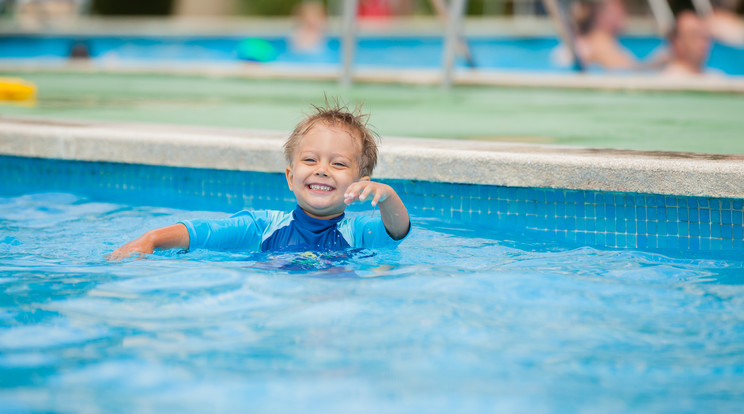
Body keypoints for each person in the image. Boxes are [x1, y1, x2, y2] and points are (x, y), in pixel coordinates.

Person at [109, 102, 411, 259]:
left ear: (360, 182)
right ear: (290, 177)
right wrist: (150, 239)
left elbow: (397, 230)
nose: (322, 169)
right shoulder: (262, 226)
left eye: (339, 163)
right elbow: (203, 232)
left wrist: (387, 196)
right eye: (310, 159)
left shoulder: (358, 232)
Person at [663, 10, 712, 76]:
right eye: (695, 35)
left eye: (704, 35)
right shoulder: (669, 79)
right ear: (677, 43)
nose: (703, 42)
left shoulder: (715, 76)